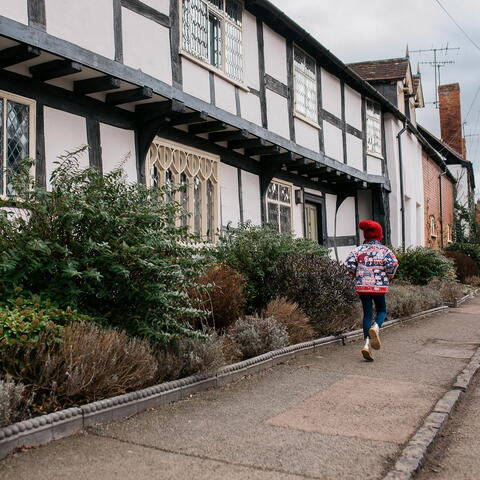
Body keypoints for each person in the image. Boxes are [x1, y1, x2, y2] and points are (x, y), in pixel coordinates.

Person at [346, 221, 398, 361]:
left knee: (367, 314)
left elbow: (349, 264)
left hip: (362, 287)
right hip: (379, 286)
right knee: (382, 310)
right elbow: (392, 265)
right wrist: (390, 274)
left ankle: (366, 344)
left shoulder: (358, 250)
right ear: (379, 235)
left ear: (366, 235)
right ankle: (376, 327)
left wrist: (354, 273)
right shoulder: (385, 251)